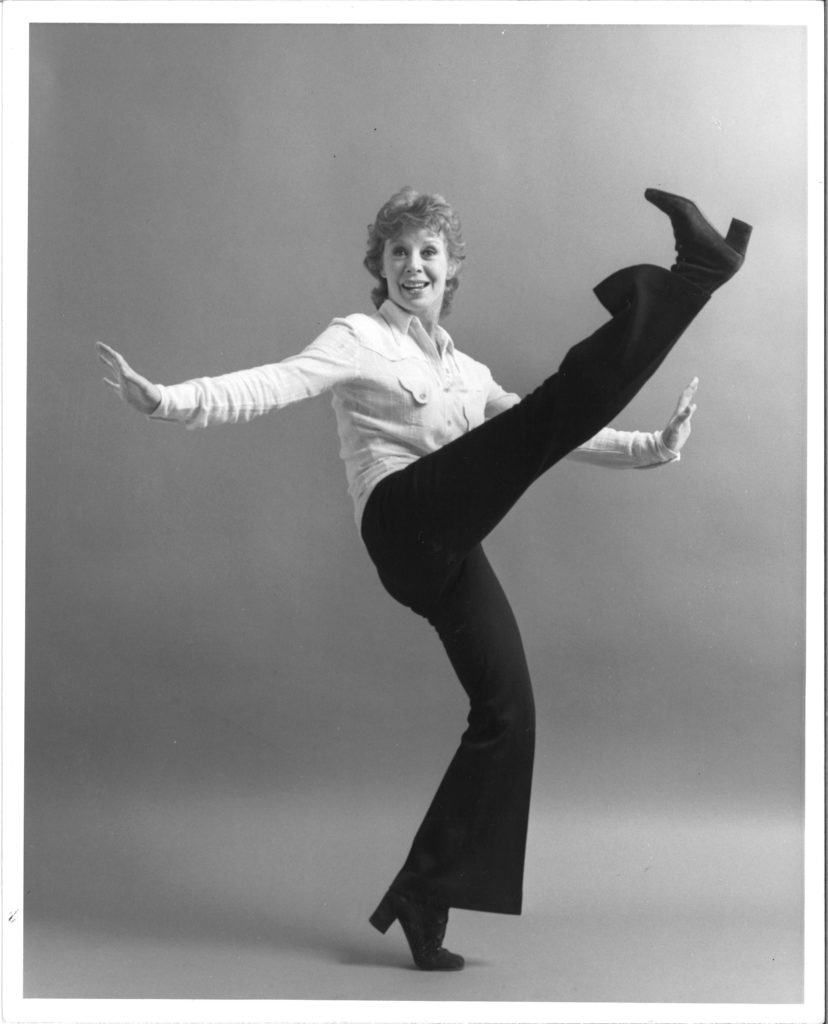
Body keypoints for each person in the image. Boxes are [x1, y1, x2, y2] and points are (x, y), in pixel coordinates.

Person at [96, 186, 751, 972]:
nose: (413, 265)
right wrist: (168, 401)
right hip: (403, 518)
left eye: (428, 252)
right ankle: (693, 275)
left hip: (446, 544)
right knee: (545, 413)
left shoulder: (466, 371)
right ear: (379, 265)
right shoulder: (359, 337)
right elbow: (275, 381)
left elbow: (553, 433)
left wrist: (652, 446)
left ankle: (423, 894)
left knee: (510, 710)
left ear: (451, 271)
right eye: (399, 251)